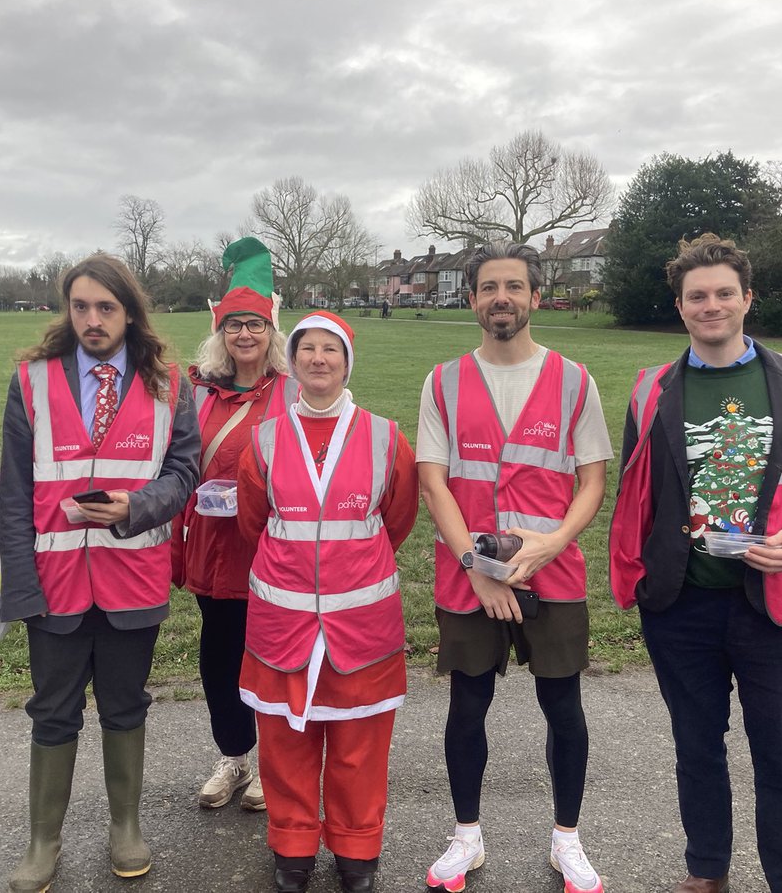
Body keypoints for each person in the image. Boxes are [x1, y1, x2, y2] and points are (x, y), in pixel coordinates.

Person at [608, 234, 782, 893]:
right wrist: (640, 572)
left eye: (724, 293)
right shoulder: (649, 391)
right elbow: (638, 496)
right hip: (681, 605)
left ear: (748, 299)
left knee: (781, 757)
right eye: (698, 296)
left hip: (773, 605)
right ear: (680, 306)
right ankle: (707, 870)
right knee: (696, 750)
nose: (711, 305)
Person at [0, 254, 199, 892]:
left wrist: (136, 507)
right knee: (53, 712)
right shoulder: (31, 382)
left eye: (105, 307)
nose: (92, 319)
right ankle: (42, 842)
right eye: (80, 306)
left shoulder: (170, 383)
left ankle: (126, 828)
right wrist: (22, 585)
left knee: (124, 706)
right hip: (54, 584)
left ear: (129, 312)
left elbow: (184, 472)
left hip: (132, 578)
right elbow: (15, 490)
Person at [417, 241, 612, 893]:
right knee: (467, 705)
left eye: (514, 286)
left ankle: (567, 841)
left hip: (553, 573)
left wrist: (553, 542)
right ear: (472, 298)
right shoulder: (442, 382)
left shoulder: (575, 379)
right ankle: (465, 837)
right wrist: (475, 566)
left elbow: (592, 481)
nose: (502, 297)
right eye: (489, 287)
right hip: (466, 577)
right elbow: (435, 484)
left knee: (564, 706)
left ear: (534, 294)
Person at [234, 311, 418, 893]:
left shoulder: (387, 436)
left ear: (346, 361)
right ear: (292, 360)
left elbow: (398, 517)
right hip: (282, 619)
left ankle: (357, 847)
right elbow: (253, 523)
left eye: (330, 350)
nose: (318, 359)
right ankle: (292, 846)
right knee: (286, 740)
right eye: (307, 348)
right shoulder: (263, 438)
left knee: (359, 743)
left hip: (359, 621)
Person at [177, 237, 297, 812]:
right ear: (220, 333)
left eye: (254, 325)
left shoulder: (295, 391)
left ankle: (274, 765)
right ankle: (233, 756)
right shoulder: (196, 390)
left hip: (274, 549)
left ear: (271, 331)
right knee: (220, 654)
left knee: (272, 655)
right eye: (234, 326)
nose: (244, 335)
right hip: (213, 542)